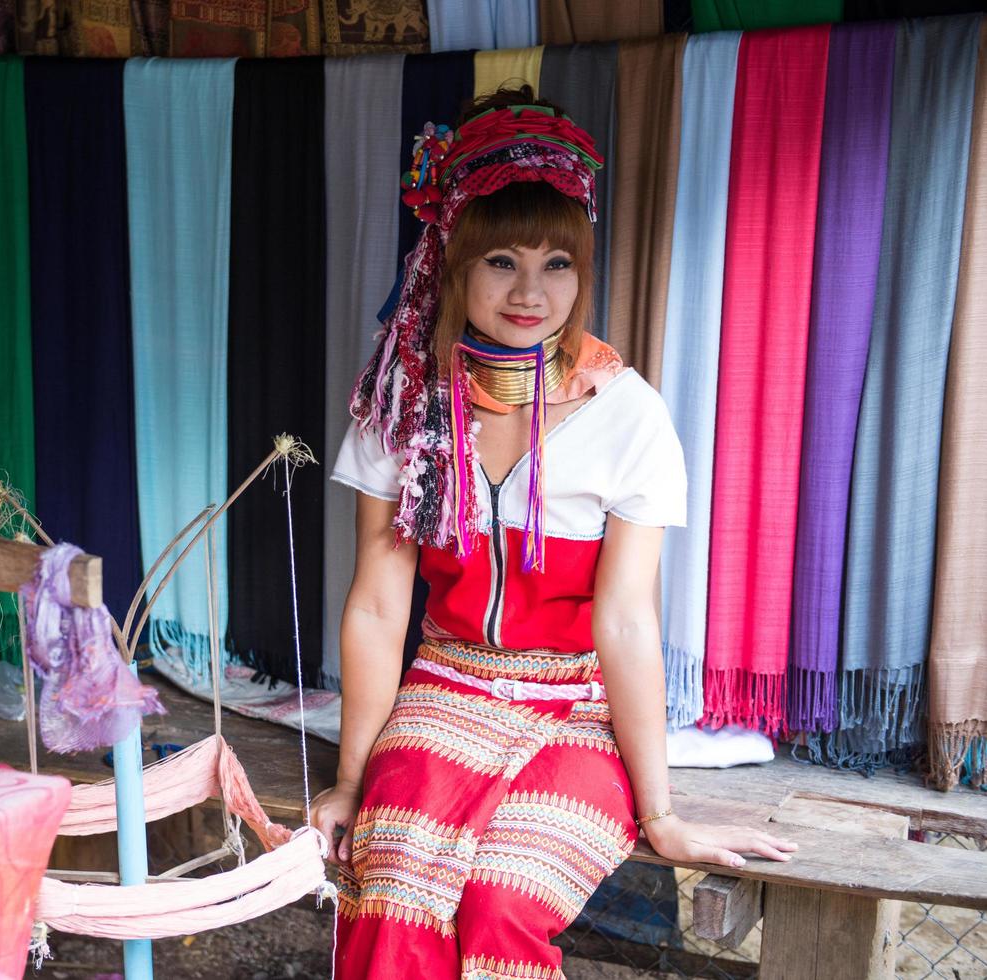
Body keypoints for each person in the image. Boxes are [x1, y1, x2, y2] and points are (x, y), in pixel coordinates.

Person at [312, 86, 797, 979]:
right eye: (500, 260)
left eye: (558, 264)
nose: (532, 292)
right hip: (445, 687)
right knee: (394, 877)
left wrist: (663, 814)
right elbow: (380, 609)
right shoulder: (403, 406)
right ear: (451, 264)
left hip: (580, 710)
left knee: (504, 896)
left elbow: (624, 623)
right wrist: (349, 781)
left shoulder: (630, 415)